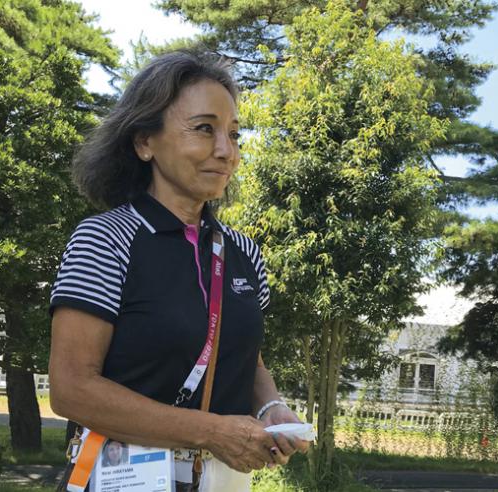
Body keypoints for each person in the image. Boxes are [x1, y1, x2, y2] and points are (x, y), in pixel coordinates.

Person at [48, 48, 308, 492]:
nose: (226, 151)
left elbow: (242, 356)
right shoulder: (105, 240)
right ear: (144, 142)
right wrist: (211, 432)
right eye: (204, 129)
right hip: (124, 476)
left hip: (227, 481)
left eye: (234, 134)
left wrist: (270, 408)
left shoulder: (244, 251)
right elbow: (71, 388)